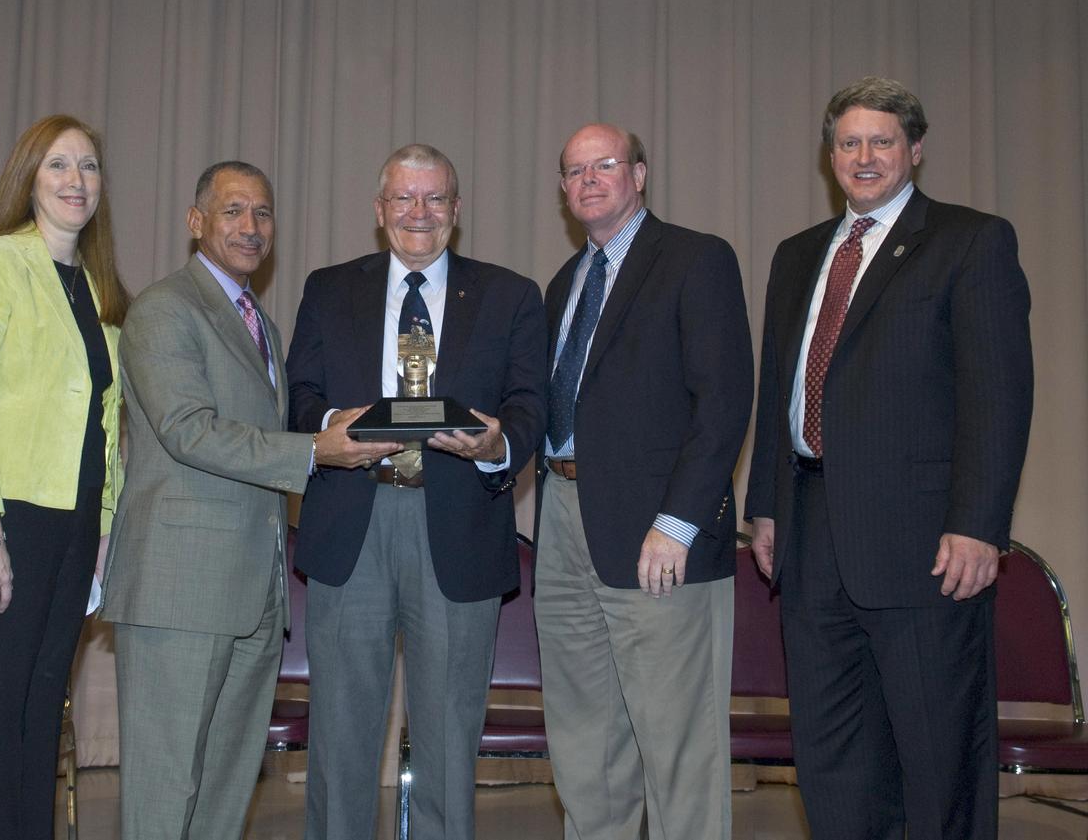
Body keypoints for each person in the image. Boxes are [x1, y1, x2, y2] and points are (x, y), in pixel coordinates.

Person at [745, 77, 1034, 839]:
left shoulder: (970, 242)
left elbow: (998, 396)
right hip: (811, 537)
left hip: (925, 547)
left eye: (882, 141)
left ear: (916, 149)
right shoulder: (797, 255)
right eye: (849, 142)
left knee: (938, 761)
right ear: (830, 154)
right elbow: (780, 389)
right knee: (833, 758)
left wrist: (979, 523)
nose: (864, 156)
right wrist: (766, 506)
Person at [99, 161, 390, 840]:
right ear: (196, 221)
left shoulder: (262, 323)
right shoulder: (164, 308)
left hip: (253, 593)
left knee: (227, 787)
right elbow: (187, 430)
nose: (250, 226)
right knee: (166, 787)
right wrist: (315, 450)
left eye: (262, 213)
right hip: (179, 589)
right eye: (232, 211)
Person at [286, 144, 547, 840]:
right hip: (352, 522)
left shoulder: (510, 295)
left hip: (458, 528)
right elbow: (300, 394)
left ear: (457, 209)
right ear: (380, 210)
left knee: (449, 743)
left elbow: (530, 405)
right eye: (404, 197)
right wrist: (330, 426)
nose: (419, 212)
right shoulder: (328, 288)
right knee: (340, 737)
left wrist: (498, 445)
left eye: (435, 198)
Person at [535, 123, 753, 840]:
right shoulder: (564, 283)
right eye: (575, 171)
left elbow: (723, 403)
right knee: (584, 742)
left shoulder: (695, 259)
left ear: (639, 173)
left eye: (605, 164)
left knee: (677, 745)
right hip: (563, 518)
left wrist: (678, 522)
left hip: (658, 532)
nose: (589, 179)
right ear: (563, 191)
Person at [0, 114, 131, 840]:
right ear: (29, 178)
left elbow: (105, 429)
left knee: (39, 717)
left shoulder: (100, 293)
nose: (77, 180)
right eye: (59, 164)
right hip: (0, 520)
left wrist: (103, 532)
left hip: (73, 529)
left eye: (89, 166)